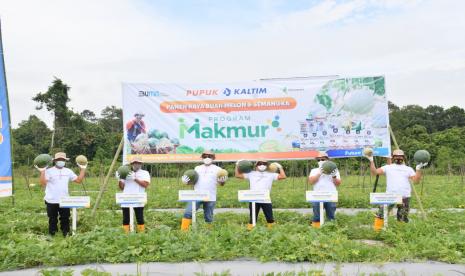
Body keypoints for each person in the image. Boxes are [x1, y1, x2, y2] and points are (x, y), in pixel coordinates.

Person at [367, 149, 426, 230]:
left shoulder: (408, 169)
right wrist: (371, 161)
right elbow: (374, 172)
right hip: (390, 196)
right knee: (381, 214)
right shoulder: (388, 167)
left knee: (402, 217)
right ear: (393, 157)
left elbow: (416, 181)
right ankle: (377, 230)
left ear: (403, 157)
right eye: (396, 156)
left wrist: (418, 169)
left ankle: (400, 233)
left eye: (400, 156)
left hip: (404, 197)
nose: (398, 158)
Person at [37, 152, 86, 236]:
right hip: (51, 199)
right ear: (55, 161)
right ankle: (52, 233)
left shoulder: (68, 171)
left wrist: (83, 169)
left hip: (64, 199)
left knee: (65, 218)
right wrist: (42, 172)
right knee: (52, 219)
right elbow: (43, 183)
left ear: (65, 161)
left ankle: (65, 233)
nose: (61, 161)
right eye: (59, 159)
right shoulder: (49, 171)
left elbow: (78, 180)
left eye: (63, 160)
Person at [180, 150, 227, 231]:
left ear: (213, 158)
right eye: (205, 156)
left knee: (208, 217)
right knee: (188, 213)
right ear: (202, 158)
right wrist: (186, 182)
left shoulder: (218, 169)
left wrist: (222, 181)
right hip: (197, 195)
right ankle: (183, 232)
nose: (207, 158)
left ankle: (209, 233)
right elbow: (193, 182)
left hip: (210, 196)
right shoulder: (197, 168)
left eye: (209, 156)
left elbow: (221, 184)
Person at [235, 159, 286, 230]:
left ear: (267, 166)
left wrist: (280, 167)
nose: (262, 165)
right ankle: (250, 231)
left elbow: (283, 176)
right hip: (254, 200)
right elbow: (237, 175)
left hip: (266, 200)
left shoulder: (271, 174)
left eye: (264, 164)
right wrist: (237, 165)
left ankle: (272, 231)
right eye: (260, 163)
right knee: (252, 218)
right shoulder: (251, 173)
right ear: (256, 165)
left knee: (270, 218)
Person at [308, 151, 341, 228]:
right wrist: (319, 173)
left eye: (322, 159)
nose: (320, 161)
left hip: (330, 196)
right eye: (318, 160)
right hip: (317, 196)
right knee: (317, 216)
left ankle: (331, 229)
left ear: (327, 160)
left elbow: (338, 183)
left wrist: (333, 175)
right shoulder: (314, 170)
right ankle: (316, 229)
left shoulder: (334, 170)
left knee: (331, 215)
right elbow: (311, 182)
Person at [117, 156, 150, 233]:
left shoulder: (145, 173)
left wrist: (134, 178)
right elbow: (121, 188)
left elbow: (145, 185)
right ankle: (126, 234)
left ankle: (141, 234)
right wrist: (120, 179)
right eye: (135, 163)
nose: (136, 164)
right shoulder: (125, 172)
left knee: (140, 219)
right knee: (126, 219)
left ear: (141, 164)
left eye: (138, 163)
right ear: (132, 164)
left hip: (138, 199)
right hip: (126, 199)